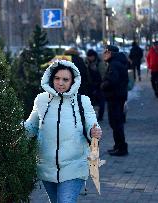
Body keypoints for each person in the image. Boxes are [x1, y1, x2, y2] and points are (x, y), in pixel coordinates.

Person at [25, 60, 102, 203]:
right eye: (57, 78)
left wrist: (94, 132)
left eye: (65, 79)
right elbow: (31, 128)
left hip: (74, 167)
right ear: (51, 78)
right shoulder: (41, 100)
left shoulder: (83, 101)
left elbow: (92, 125)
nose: (60, 83)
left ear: (73, 81)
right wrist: (14, 128)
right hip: (47, 167)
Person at [101, 45, 129, 156]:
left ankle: (121, 148)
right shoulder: (117, 63)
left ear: (111, 53)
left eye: (106, 52)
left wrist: (103, 85)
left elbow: (112, 81)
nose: (104, 54)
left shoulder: (114, 65)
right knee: (115, 123)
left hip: (115, 97)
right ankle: (118, 146)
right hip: (117, 96)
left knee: (116, 123)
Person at [85, 49, 106, 121]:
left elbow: (103, 74)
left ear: (94, 56)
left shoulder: (100, 63)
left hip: (99, 84)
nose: (89, 58)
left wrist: (102, 84)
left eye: (90, 57)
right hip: (90, 85)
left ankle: (100, 116)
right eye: (88, 57)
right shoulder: (86, 62)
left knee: (101, 101)